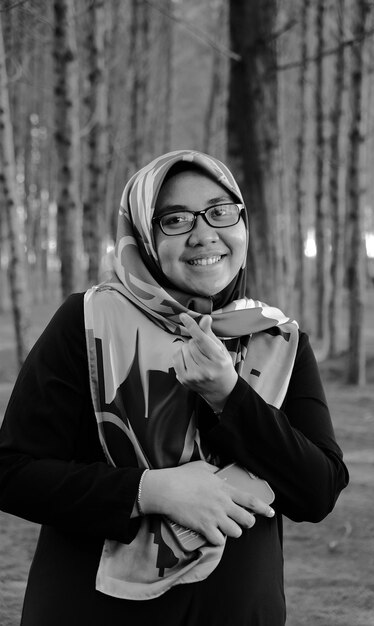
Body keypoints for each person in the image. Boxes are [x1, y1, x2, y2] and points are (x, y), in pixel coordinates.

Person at [0, 150, 349, 626]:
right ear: (143, 234)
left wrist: (230, 396)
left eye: (221, 211)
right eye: (176, 219)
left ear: (243, 221)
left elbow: (318, 491)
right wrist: (150, 490)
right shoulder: (87, 323)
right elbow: (12, 473)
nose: (204, 234)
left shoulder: (277, 340)